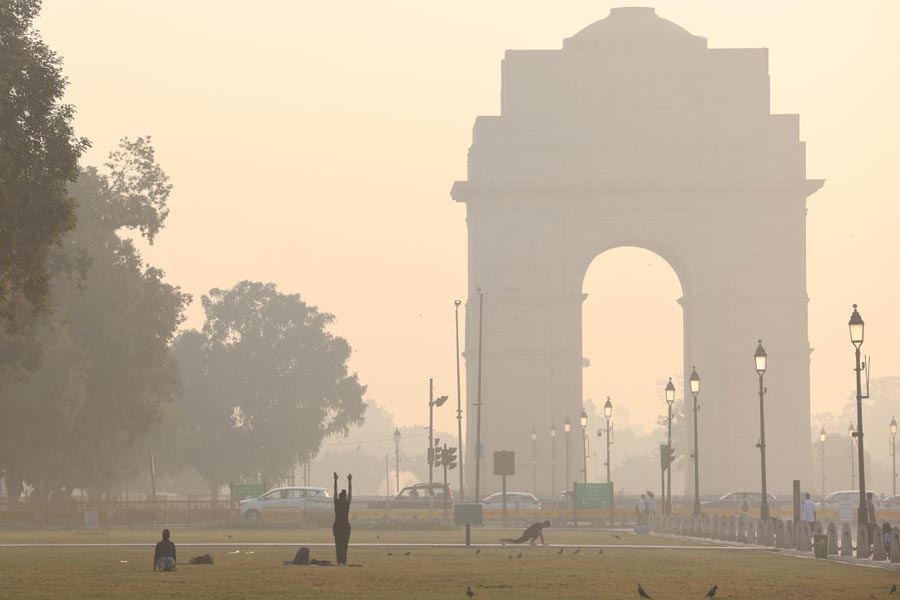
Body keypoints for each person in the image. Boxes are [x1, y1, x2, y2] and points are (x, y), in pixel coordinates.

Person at [333, 472, 352, 565]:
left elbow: (335, 491)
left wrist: (335, 480)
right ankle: (343, 561)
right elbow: (350, 493)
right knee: (344, 545)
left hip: (337, 526)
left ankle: (339, 561)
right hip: (345, 526)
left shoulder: (337, 503)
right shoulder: (346, 504)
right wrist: (349, 481)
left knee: (338, 545)